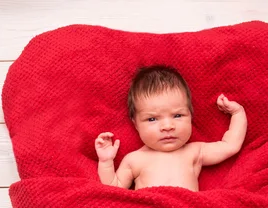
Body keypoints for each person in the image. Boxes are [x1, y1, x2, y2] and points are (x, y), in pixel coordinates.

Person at [95, 65, 247, 192]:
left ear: (191, 116)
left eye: (178, 115)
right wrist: (106, 161)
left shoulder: (195, 151)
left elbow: (230, 145)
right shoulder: (134, 160)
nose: (168, 127)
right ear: (136, 124)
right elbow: (114, 190)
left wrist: (237, 113)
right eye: (152, 119)